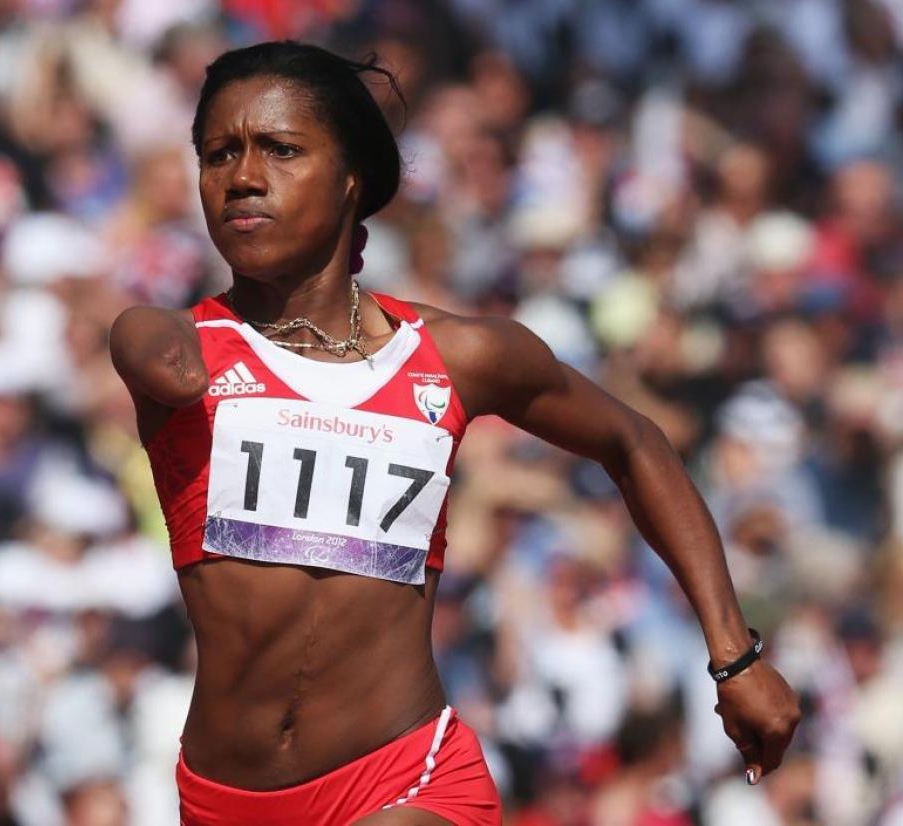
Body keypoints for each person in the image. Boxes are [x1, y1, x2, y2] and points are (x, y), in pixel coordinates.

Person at [109, 41, 801, 826]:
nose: (242, 176)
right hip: (223, 801)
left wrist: (734, 654)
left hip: (407, 779)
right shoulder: (173, 342)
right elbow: (152, 354)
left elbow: (634, 442)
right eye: (218, 153)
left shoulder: (461, 356)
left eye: (281, 149)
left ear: (350, 181)